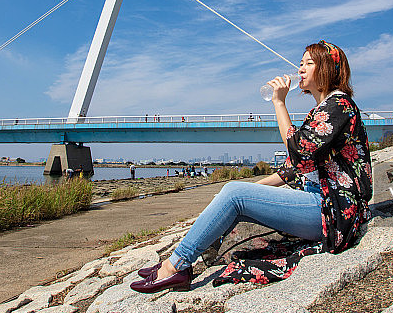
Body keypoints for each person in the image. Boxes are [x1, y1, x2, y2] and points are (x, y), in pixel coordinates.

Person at [130, 41, 372, 293]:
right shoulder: (323, 109)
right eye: (300, 63)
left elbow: (298, 151)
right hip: (318, 202)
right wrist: (245, 192)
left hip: (333, 212)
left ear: (328, 70)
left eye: (309, 64)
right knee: (233, 197)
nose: (300, 69)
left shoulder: (339, 106)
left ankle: (175, 267)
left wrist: (279, 103)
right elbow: (291, 170)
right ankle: (185, 260)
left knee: (234, 194)